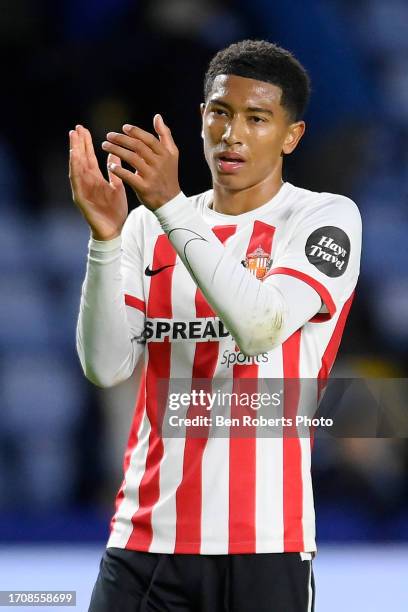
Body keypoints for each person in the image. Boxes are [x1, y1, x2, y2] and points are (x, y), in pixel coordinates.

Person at [69, 39, 361, 612]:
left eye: (257, 118)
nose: (232, 134)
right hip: (144, 539)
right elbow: (105, 369)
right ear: (200, 118)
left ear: (291, 136)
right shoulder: (144, 230)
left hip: (267, 545)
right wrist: (106, 239)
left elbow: (261, 326)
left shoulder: (324, 217)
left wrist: (171, 205)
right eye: (220, 113)